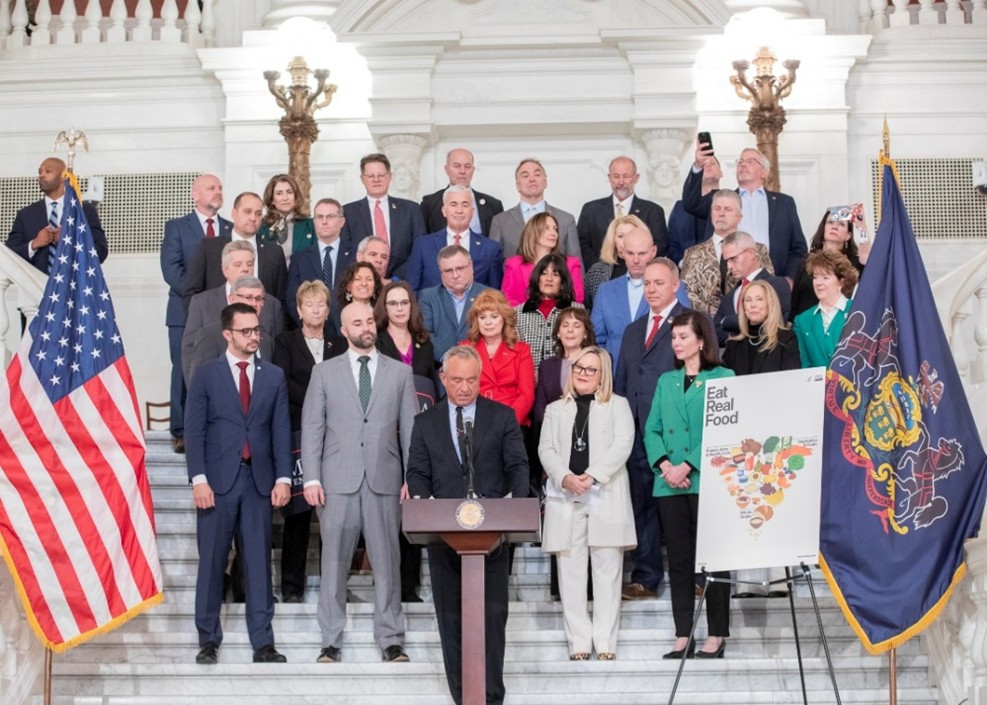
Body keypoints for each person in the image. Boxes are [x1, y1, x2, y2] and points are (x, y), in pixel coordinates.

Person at [405, 345, 529, 705]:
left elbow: (518, 467)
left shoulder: (501, 416)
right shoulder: (425, 423)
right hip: (444, 539)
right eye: (456, 380)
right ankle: (463, 697)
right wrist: (425, 505)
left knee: (492, 619)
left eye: (471, 380)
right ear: (443, 378)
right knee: (450, 620)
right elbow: (417, 472)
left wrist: (513, 508)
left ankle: (491, 697)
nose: (463, 387)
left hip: (491, 539)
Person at [301, 301, 419, 664]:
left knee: (387, 563)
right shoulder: (323, 372)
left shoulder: (400, 373)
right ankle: (331, 640)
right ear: (344, 328)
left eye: (370, 320)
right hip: (337, 481)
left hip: (385, 480)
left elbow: (411, 429)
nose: (366, 327)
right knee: (333, 563)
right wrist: (312, 478)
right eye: (358, 322)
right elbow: (312, 427)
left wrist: (411, 478)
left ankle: (391, 640)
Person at [186, 302, 291, 665]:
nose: (253, 336)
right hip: (216, 484)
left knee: (259, 563)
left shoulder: (273, 376)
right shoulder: (205, 375)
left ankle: (263, 642)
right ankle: (208, 639)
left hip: (258, 482)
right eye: (245, 331)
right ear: (227, 334)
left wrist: (282, 477)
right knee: (213, 562)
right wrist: (198, 479)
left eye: (256, 329)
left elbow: (279, 429)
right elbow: (195, 431)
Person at [644, 310, 734, 659]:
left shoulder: (722, 376)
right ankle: (683, 633)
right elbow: (652, 428)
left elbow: (723, 428)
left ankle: (717, 633)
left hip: (706, 479)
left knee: (713, 559)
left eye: (683, 336)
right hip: (670, 484)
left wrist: (688, 464)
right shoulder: (666, 380)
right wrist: (667, 465)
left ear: (701, 340)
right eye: (673, 337)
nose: (676, 343)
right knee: (679, 560)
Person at [539, 346, 635, 660]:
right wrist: (566, 477)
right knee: (571, 573)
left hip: (603, 494)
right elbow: (546, 450)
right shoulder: (555, 409)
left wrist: (591, 476)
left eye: (590, 369)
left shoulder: (618, 406)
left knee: (607, 573)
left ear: (602, 375)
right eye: (578, 367)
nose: (582, 373)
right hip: (566, 495)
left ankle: (605, 642)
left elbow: (623, 445)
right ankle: (579, 643)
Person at [614, 257, 686, 600]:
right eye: (647, 284)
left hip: (676, 433)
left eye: (659, 283)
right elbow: (622, 381)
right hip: (637, 430)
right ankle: (646, 576)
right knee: (640, 502)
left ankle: (695, 576)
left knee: (681, 505)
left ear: (675, 284)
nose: (652, 289)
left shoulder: (690, 324)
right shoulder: (632, 329)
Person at [273, 280, 347, 603]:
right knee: (299, 514)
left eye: (322, 305)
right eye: (310, 305)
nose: (316, 310)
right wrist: (320, 398)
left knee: (335, 516)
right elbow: (282, 381)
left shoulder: (338, 344)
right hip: (298, 434)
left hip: (334, 437)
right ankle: (291, 588)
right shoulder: (285, 341)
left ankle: (335, 588)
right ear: (299, 309)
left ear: (328, 310)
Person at [374, 281, 441, 603]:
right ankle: (390, 585)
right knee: (387, 517)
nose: (399, 309)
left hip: (419, 436)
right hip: (385, 436)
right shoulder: (375, 342)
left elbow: (432, 390)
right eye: (393, 304)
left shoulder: (425, 344)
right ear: (383, 309)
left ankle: (410, 586)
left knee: (412, 513)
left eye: (404, 303)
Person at [160, 173, 231, 453]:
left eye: (220, 187)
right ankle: (181, 431)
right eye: (211, 188)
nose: (218, 191)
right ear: (195, 194)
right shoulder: (177, 227)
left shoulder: (229, 229)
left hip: (223, 313)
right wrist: (199, 301)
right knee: (183, 369)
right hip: (183, 312)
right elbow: (171, 269)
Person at [683, 142, 807, 281]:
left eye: (750, 161)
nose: (743, 164)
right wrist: (698, 166)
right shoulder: (722, 199)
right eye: (740, 161)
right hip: (728, 282)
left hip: (773, 282)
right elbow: (690, 204)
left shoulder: (784, 203)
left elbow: (798, 248)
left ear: (764, 172)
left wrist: (789, 280)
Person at [182, 239, 284, 383]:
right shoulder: (201, 303)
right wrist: (196, 392)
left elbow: (277, 355)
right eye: (238, 264)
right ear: (225, 269)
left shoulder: (272, 304)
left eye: (250, 264)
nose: (245, 269)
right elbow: (189, 351)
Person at [183, 191, 288, 308]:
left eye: (258, 214)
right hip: (218, 323)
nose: (253, 218)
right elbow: (191, 293)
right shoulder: (209, 247)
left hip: (262, 324)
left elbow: (281, 299)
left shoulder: (274, 252)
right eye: (247, 212)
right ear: (233, 213)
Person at [6, 156, 108, 273]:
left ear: (63, 177)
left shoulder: (86, 212)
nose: (42, 175)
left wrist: (71, 242)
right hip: (37, 287)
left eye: (48, 171)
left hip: (73, 286)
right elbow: (8, 254)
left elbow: (101, 252)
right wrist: (34, 244)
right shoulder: (25, 215)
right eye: (40, 172)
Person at [680, 189, 773, 317]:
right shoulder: (693, 253)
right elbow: (687, 294)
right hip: (706, 327)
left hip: (749, 324)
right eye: (717, 209)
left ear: (740, 217)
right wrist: (719, 318)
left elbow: (768, 288)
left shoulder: (758, 250)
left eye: (728, 209)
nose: (721, 214)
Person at [341, 153, 427, 279]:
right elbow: (345, 252)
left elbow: (420, 250)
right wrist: (367, 277)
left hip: (401, 285)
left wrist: (394, 279)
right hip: (362, 284)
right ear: (362, 179)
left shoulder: (411, 209)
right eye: (371, 176)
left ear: (389, 177)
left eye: (381, 175)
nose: (376, 180)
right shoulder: (348, 212)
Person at [405, 185, 504, 292]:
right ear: (444, 210)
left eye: (465, 205)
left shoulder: (490, 248)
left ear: (473, 211)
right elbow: (412, 290)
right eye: (453, 204)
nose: (459, 210)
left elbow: (495, 294)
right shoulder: (423, 245)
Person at [461, 289, 535, 429]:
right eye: (482, 317)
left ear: (504, 318)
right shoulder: (465, 349)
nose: (488, 322)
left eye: (494, 316)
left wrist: (507, 423)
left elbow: (526, 395)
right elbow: (459, 390)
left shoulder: (522, 350)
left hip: (510, 421)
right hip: (474, 421)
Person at [577, 156, 668, 268]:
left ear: (636, 178)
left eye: (626, 176)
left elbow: (660, 247)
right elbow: (581, 246)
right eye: (616, 176)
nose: (620, 182)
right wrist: (601, 269)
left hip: (641, 275)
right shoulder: (590, 210)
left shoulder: (653, 211)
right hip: (600, 277)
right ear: (609, 178)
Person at [590, 226, 656, 371]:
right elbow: (595, 337)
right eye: (630, 253)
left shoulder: (672, 288)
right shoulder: (605, 290)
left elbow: (682, 333)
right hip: (615, 374)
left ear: (653, 252)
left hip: (657, 377)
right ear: (622, 253)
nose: (636, 260)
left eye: (642, 253)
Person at [285, 197, 355, 331]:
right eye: (319, 217)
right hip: (311, 333)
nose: (324, 221)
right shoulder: (300, 258)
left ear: (342, 221)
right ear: (314, 221)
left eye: (330, 216)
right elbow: (292, 299)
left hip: (347, 331)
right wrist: (312, 325)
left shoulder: (356, 255)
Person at [489, 158, 580, 258]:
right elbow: (493, 263)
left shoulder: (566, 220)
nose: (532, 179)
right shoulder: (500, 221)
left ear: (545, 183)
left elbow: (576, 264)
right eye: (525, 176)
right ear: (518, 186)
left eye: (537, 175)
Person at [714, 231, 791, 345]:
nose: (729, 266)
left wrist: (727, 321)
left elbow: (773, 324)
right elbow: (715, 333)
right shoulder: (730, 297)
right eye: (727, 261)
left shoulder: (777, 284)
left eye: (734, 259)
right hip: (736, 360)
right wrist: (743, 334)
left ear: (751, 253)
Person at [791, 205, 871, 316]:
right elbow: (794, 302)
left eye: (841, 224)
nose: (835, 227)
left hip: (840, 327)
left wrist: (862, 226)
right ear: (823, 228)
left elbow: (868, 260)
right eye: (830, 222)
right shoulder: (807, 261)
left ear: (848, 235)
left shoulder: (853, 263)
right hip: (806, 327)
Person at [419, 245, 490, 363]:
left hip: (482, 369)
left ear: (471, 267)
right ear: (441, 273)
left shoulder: (490, 295)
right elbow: (425, 334)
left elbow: (495, 337)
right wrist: (451, 362)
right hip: (441, 369)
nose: (455, 275)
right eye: (448, 271)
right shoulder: (428, 296)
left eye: (460, 268)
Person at [513, 253, 585, 369]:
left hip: (564, 379)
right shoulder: (518, 312)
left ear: (562, 281)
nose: (549, 278)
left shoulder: (576, 310)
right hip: (527, 379)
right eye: (544, 273)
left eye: (555, 274)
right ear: (537, 278)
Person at [501, 212, 584, 306]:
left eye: (555, 229)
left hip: (560, 318)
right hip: (522, 318)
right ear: (532, 232)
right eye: (547, 228)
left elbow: (576, 299)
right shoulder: (513, 264)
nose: (553, 233)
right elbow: (507, 300)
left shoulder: (570, 264)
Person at [792, 250, 859, 368]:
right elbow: (804, 363)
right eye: (815, 277)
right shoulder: (802, 320)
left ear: (841, 282)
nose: (818, 283)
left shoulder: (857, 312)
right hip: (817, 386)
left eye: (825, 277)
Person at [420, 148, 504, 236]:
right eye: (457, 166)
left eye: (467, 166)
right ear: (446, 169)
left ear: (473, 170)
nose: (462, 171)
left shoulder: (493, 205)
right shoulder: (429, 203)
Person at [724, 280, 801, 376]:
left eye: (759, 299)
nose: (753, 305)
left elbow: (791, 380)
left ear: (770, 304)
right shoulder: (733, 345)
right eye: (748, 300)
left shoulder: (786, 339)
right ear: (743, 307)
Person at [666, 155, 721, 265]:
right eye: (704, 164)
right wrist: (683, 262)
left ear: (721, 173)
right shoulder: (680, 207)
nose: (708, 165)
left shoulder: (730, 203)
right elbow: (671, 244)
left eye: (712, 163)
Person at [584, 214, 641, 311]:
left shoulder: (652, 269)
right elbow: (587, 307)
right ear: (613, 240)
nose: (625, 241)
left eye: (631, 234)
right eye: (620, 236)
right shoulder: (596, 270)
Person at [256, 173, 316, 264]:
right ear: (272, 199)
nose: (285, 198)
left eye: (289, 192)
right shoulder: (262, 227)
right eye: (279, 193)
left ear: (296, 197)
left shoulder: (310, 225)